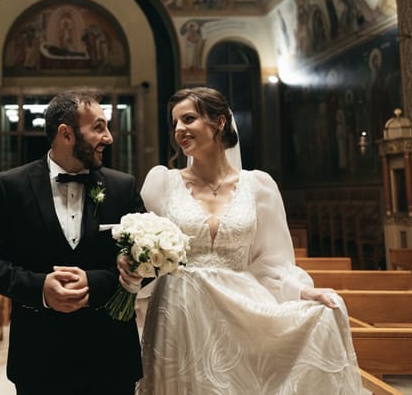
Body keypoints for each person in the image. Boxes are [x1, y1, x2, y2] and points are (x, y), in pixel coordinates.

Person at [118, 87, 361, 394]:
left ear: (219, 122)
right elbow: (141, 253)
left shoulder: (259, 186)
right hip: (180, 315)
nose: (179, 129)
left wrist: (303, 291)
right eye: (175, 123)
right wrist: (133, 267)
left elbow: (271, 262)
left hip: (240, 312)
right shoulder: (162, 183)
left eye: (189, 119)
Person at [0, 89, 145, 395]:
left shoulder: (123, 187)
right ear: (66, 134)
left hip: (110, 354)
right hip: (39, 355)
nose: (108, 138)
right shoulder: (10, 186)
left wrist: (96, 283)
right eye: (98, 127)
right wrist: (39, 288)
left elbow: (145, 262)